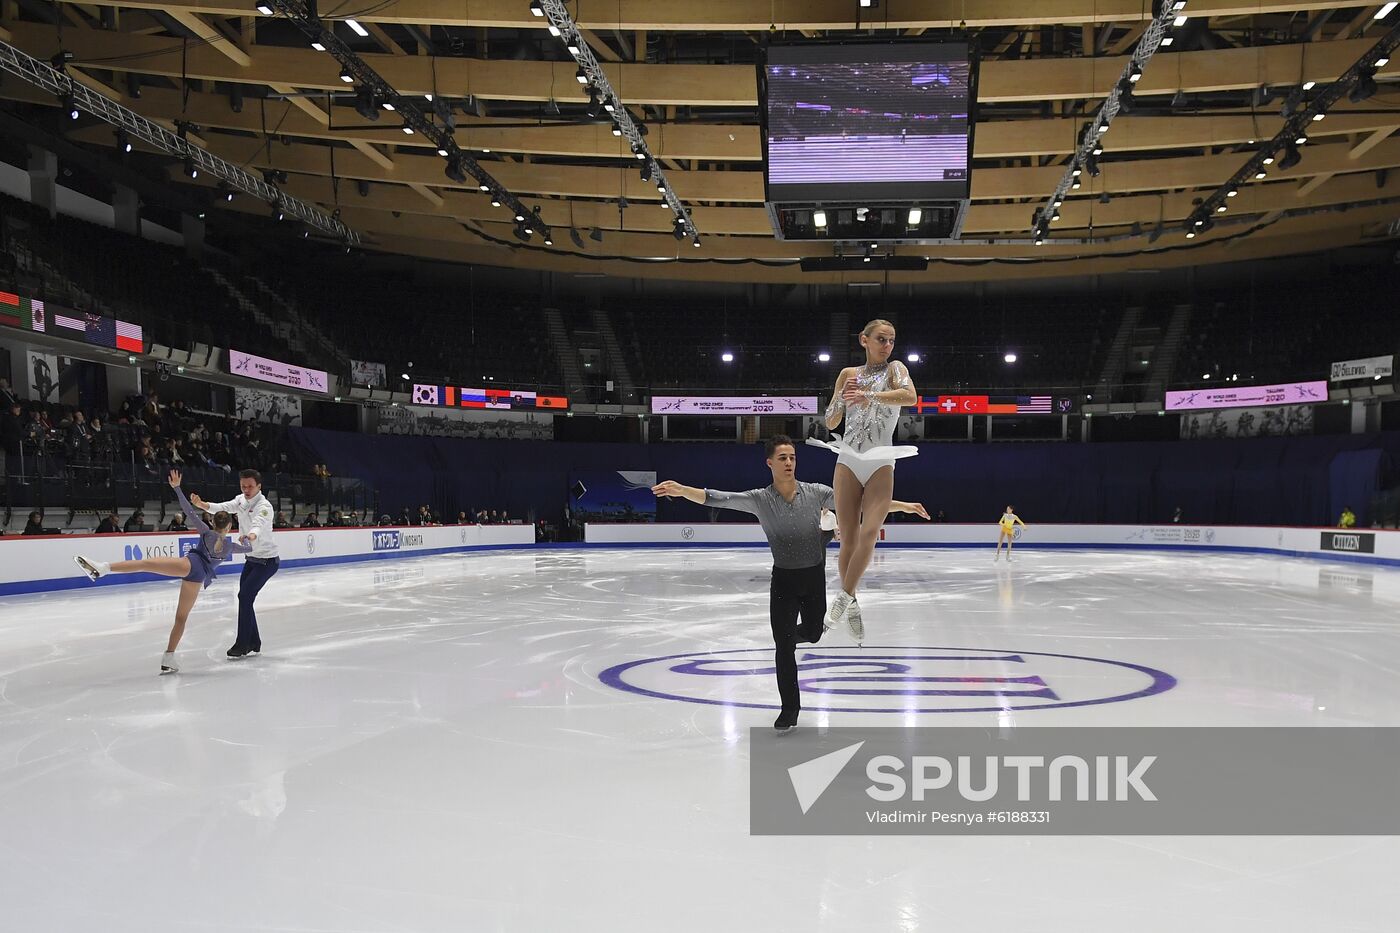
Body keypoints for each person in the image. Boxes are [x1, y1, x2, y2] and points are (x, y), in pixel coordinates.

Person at [652, 434, 928, 733]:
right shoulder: (759, 499)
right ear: (769, 463)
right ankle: (789, 709)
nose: (788, 463)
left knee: (812, 634)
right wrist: (681, 490)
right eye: (782, 458)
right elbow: (717, 497)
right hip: (783, 580)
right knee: (783, 649)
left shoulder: (817, 493)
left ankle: (787, 636)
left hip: (813, 579)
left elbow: (864, 503)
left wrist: (903, 506)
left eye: (792, 457)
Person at [75, 470, 252, 674]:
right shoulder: (230, 546)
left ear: (213, 522)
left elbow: (188, 510)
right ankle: (169, 656)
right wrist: (247, 538)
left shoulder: (206, 532)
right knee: (181, 618)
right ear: (230, 526)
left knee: (145, 563)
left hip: (188, 565)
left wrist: (177, 488)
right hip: (197, 579)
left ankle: (104, 568)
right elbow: (248, 549)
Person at [810, 319, 918, 640]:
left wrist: (869, 394)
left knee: (870, 529)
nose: (887, 345)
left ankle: (843, 598)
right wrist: (843, 398)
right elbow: (831, 421)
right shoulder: (848, 374)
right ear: (864, 340)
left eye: (891, 340)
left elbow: (910, 396)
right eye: (881, 339)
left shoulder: (894, 370)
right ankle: (853, 601)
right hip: (849, 459)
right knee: (849, 538)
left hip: (881, 460)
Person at [191, 469, 280, 659]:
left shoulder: (264, 506)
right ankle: (254, 642)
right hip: (252, 560)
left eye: (250, 486)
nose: (246, 489)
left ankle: (242, 644)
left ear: (259, 486)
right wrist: (202, 504)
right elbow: (222, 507)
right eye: (243, 486)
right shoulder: (240, 500)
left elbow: (259, 523)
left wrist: (250, 536)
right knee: (245, 599)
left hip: (267, 561)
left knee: (244, 597)